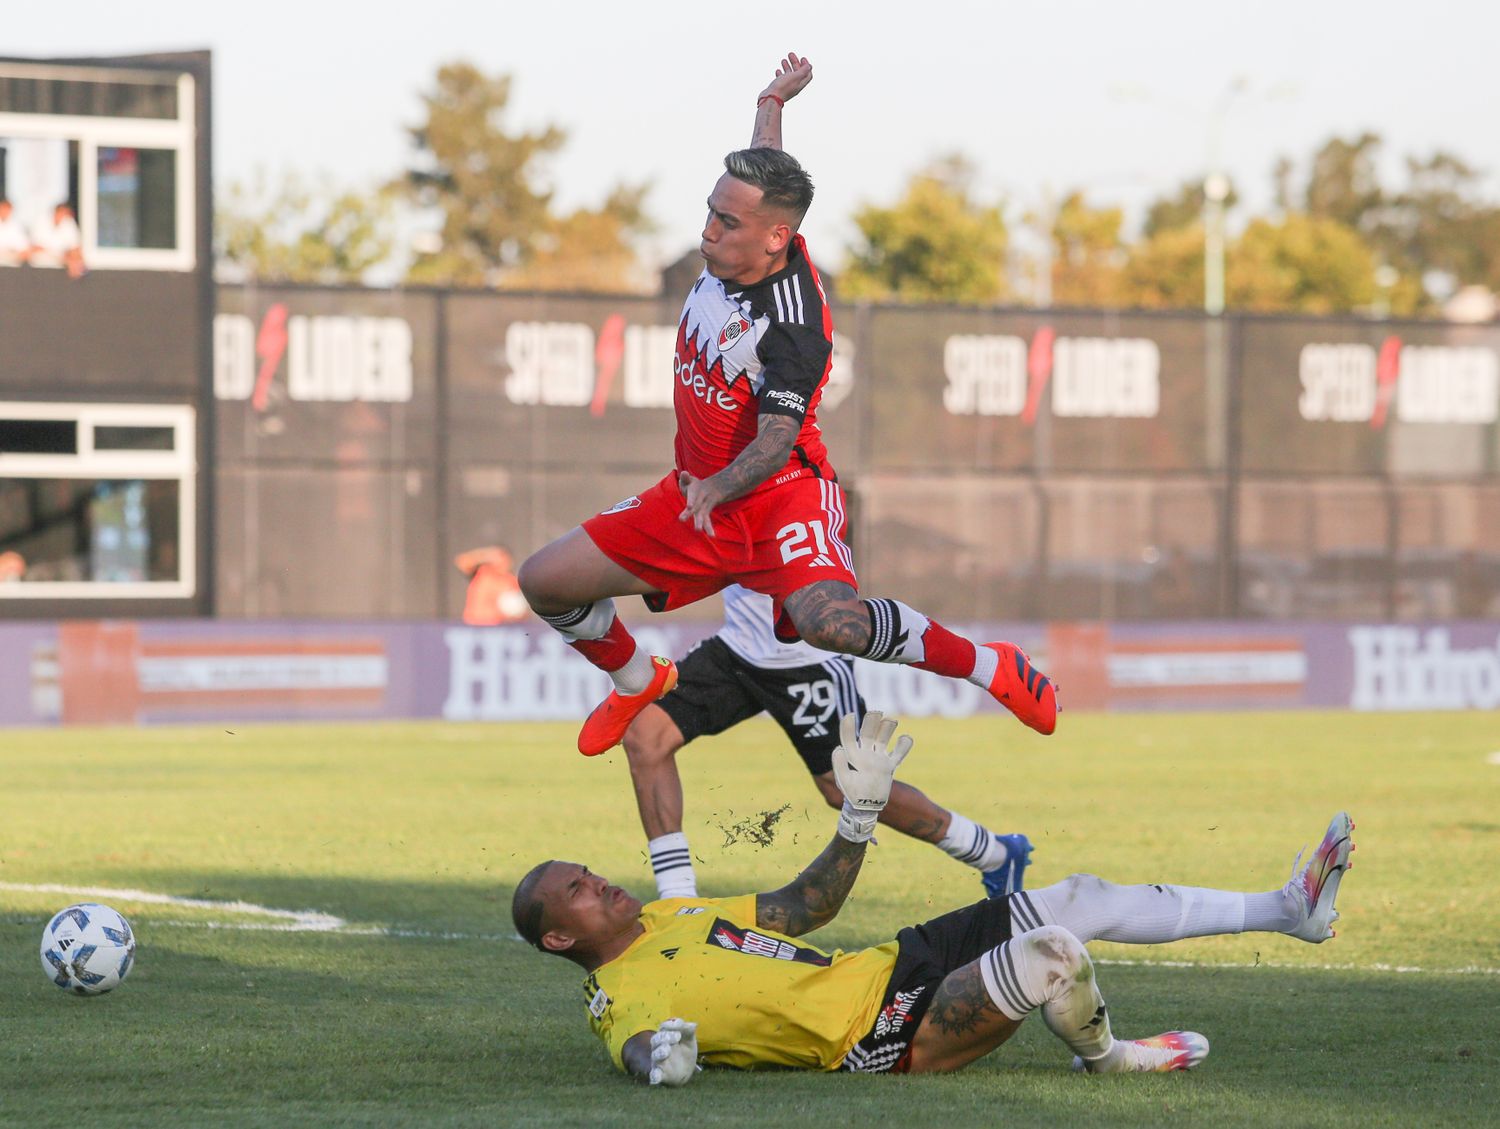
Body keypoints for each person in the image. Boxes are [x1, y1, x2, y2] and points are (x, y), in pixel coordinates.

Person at [517, 53, 1057, 758]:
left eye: (726, 222)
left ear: (776, 238)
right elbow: (764, 167)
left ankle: (991, 666)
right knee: (543, 582)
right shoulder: (750, 230)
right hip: (698, 498)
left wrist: (714, 486)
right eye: (710, 212)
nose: (708, 230)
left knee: (833, 623)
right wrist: (771, 102)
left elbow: (777, 440)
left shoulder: (796, 325)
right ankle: (633, 679)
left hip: (780, 500)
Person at [512, 711, 1355, 1081]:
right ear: (559, 940)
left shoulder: (674, 915)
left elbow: (805, 907)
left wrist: (862, 816)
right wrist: (660, 1063)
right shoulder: (617, 996)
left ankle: (1291, 909)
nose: (599, 881)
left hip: (888, 965)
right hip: (880, 1034)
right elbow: (630, 1044)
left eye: (587, 871)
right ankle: (1112, 1058)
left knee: (1078, 897)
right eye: (578, 892)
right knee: (1054, 955)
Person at [625, 584, 1032, 900]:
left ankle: (993, 854)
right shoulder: (711, 483)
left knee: (846, 789)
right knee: (646, 738)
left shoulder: (785, 485)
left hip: (807, 664)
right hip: (738, 651)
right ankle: (677, 900)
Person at [454, 545, 528, 625]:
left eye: (504, 558)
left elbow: (520, 607)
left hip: (496, 627)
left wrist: (515, 614)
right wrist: (486, 555)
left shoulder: (511, 581)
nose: (501, 562)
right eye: (498, 557)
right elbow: (462, 561)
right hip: (474, 624)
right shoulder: (483, 573)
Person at [30, 202, 86, 279]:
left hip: (61, 258)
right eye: (62, 213)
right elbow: (36, 247)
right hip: (41, 261)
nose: (63, 217)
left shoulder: (68, 223)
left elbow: (75, 247)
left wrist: (75, 259)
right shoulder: (42, 221)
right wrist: (63, 257)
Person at [0, 199, 32, 266]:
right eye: (3, 209)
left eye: (7, 209)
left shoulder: (17, 225)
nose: (4, 211)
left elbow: (24, 246)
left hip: (12, 255)